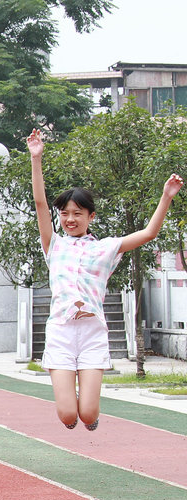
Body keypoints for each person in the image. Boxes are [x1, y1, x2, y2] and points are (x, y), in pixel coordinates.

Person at [27, 128, 183, 430]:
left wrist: (166, 197)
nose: (70, 219)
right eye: (65, 214)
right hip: (60, 332)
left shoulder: (106, 248)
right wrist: (36, 158)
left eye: (77, 213)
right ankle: (70, 399)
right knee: (67, 416)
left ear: (91, 216)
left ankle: (91, 413)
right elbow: (40, 204)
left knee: (86, 414)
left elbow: (149, 233)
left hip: (92, 333)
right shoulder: (54, 244)